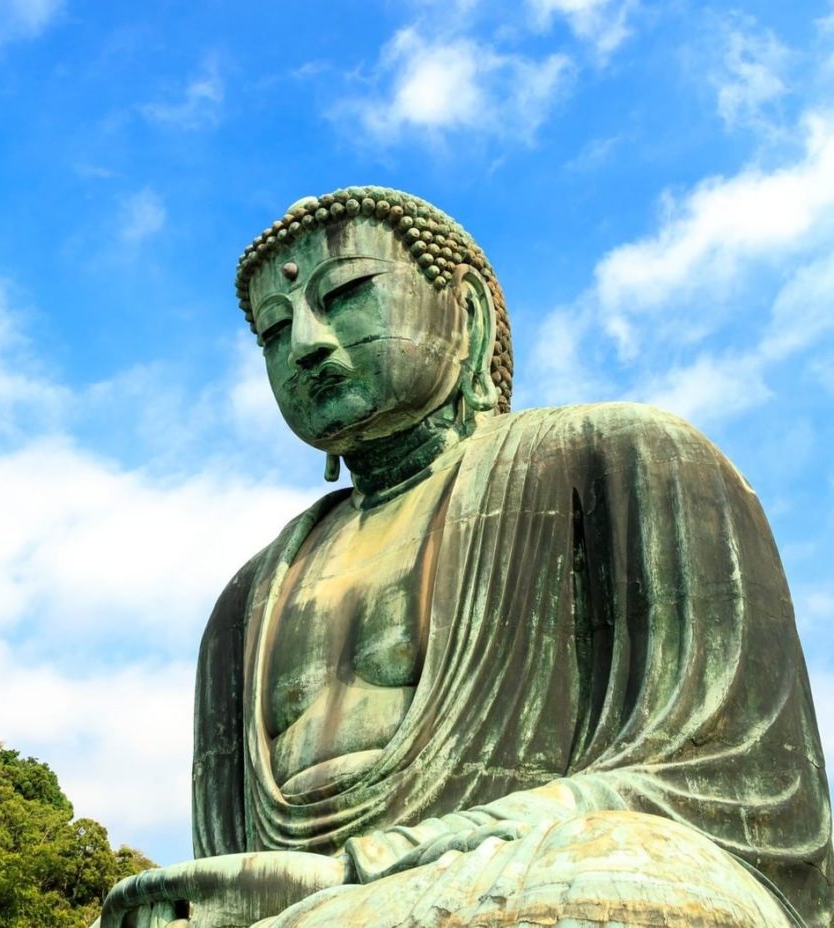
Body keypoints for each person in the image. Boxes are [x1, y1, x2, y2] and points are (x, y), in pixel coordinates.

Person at [97, 187, 832, 928]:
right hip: (323, 909)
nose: (308, 345)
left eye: (346, 293)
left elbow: (734, 782)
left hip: (526, 865)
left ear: (467, 313)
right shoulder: (246, 598)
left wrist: (363, 868)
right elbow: (228, 854)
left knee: (636, 885)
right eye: (274, 332)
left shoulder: (626, 457)